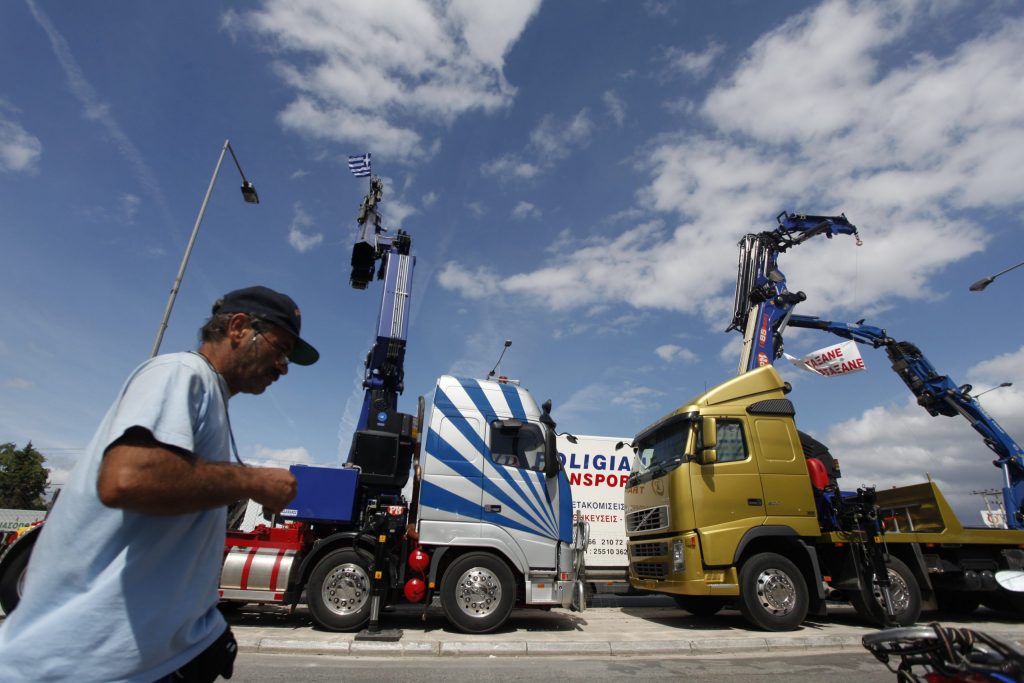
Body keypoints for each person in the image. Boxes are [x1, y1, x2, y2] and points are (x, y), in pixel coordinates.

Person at [0, 286, 319, 682]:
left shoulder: (211, 397)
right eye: (281, 347)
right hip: (86, 668)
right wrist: (252, 480)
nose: (283, 366)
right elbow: (128, 478)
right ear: (238, 327)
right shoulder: (181, 373)